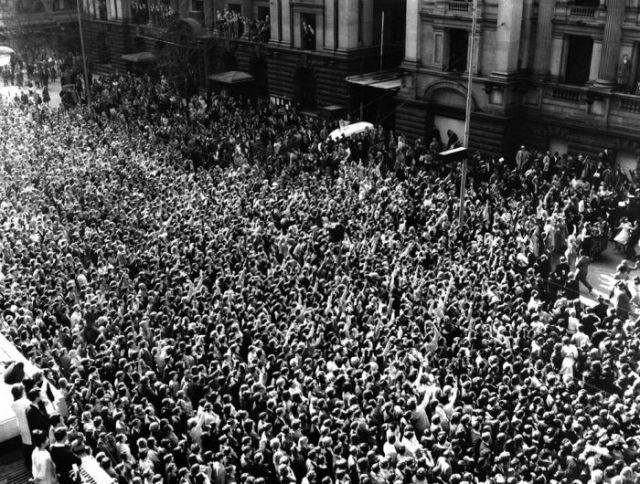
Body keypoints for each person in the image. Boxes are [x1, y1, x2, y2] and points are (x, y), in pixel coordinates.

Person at [11, 384, 33, 468]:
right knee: (31, 444)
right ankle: (31, 463)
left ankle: (27, 462)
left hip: (21, 425)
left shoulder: (14, 404)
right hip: (28, 425)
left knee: (26, 444)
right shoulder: (25, 402)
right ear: (21, 392)